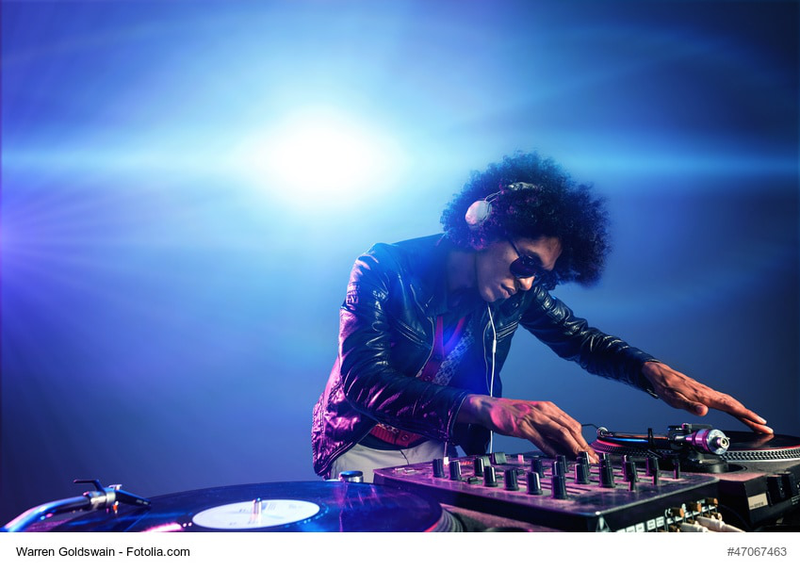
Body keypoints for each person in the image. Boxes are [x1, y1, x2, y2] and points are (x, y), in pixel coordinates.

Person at [311, 151, 771, 482]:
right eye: (526, 263)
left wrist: (650, 371)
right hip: (363, 446)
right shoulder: (384, 268)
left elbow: (582, 340)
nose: (529, 283)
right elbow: (364, 381)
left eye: (541, 274)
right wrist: (488, 408)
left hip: (441, 445)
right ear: (483, 229)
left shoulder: (515, 290)